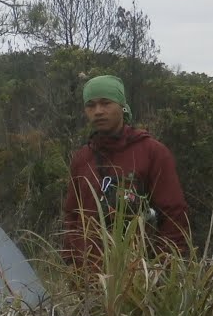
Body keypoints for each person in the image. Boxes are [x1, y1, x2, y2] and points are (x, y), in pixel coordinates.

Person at [60, 74, 189, 265]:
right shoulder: (82, 158)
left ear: (122, 106)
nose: (98, 111)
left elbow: (174, 214)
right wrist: (73, 262)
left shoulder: (152, 152)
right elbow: (73, 214)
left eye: (106, 103)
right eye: (91, 105)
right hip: (90, 278)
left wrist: (164, 269)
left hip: (139, 276)